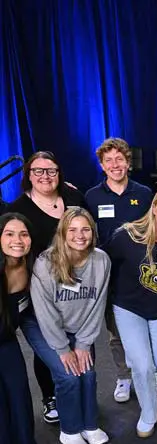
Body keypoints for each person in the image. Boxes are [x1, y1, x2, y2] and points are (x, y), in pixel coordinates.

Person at [106, 187, 157, 437]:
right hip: (129, 308)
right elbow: (103, 264)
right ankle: (148, 412)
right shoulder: (126, 237)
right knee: (141, 365)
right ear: (153, 208)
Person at [11, 151, 86, 424]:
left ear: (59, 174)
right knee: (47, 348)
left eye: (51, 170)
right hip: (39, 291)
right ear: (28, 175)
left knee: (73, 340)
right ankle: (49, 397)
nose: (45, 176)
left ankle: (77, 393)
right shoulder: (18, 209)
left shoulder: (73, 197)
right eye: (38, 171)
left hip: (75, 289)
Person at [30, 208, 110, 444]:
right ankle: (70, 430)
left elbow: (97, 305)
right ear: (62, 233)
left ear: (93, 232)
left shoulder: (101, 260)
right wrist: (64, 348)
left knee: (87, 373)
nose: (80, 235)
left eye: (85, 229)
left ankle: (89, 424)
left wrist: (83, 343)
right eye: (72, 230)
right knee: (68, 376)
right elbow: (46, 312)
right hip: (44, 325)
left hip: (80, 325)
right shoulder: (45, 263)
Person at [85, 137, 153, 403]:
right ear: (102, 166)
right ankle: (124, 376)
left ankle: (150, 372)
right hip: (109, 276)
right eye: (108, 160)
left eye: (119, 159)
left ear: (128, 162)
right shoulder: (92, 197)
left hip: (142, 274)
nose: (115, 165)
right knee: (116, 332)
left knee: (147, 326)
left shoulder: (144, 194)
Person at [0, 213, 43, 444]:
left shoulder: (31, 266)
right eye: (9, 234)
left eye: (23, 234)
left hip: (6, 339)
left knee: (18, 390)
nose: (17, 240)